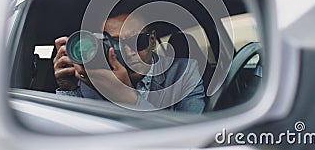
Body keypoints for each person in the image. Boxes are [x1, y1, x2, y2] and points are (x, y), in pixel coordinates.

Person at [53, 12, 205, 113]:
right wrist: (69, 88)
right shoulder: (89, 80)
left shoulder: (184, 72)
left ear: (152, 41)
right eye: (115, 43)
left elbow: (193, 137)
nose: (127, 51)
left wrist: (126, 97)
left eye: (137, 41)